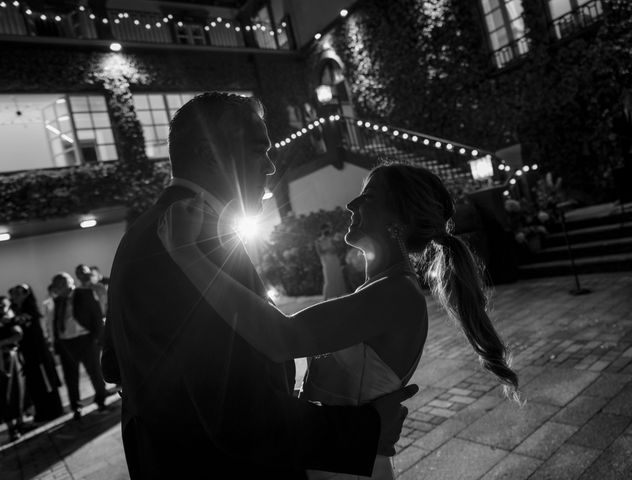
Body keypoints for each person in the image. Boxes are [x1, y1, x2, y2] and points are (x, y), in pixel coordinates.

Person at [101, 92, 417, 480]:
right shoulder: (194, 237)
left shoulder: (140, 233)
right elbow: (233, 409)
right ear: (211, 153)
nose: (270, 166)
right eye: (259, 150)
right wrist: (365, 431)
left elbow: (112, 363)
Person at [159, 162, 521, 479]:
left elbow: (282, 338)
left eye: (369, 196)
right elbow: (319, 329)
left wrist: (187, 255)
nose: (351, 204)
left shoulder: (396, 294)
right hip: (339, 457)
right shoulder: (379, 289)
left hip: (346, 469)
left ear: (399, 219)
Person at [51, 272, 106, 419]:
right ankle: (76, 407)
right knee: (70, 378)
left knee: (95, 372)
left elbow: (97, 315)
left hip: (86, 340)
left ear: (71, 281)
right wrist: (57, 344)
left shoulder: (85, 293)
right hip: (66, 343)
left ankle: (101, 401)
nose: (62, 286)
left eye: (64, 282)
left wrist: (96, 339)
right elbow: (56, 322)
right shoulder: (57, 301)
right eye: (58, 284)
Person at [9, 284, 63, 423]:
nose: (15, 296)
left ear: (26, 295)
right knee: (35, 384)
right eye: (14, 293)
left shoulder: (29, 310)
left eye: (19, 293)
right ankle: (42, 412)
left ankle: (52, 411)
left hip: (38, 355)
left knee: (45, 383)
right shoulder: (15, 310)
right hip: (29, 356)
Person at [0, 296, 25, 440]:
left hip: (12, 358)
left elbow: (18, 334)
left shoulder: (9, 318)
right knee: (4, 394)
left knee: (18, 391)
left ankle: (20, 423)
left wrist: (1, 343)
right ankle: (12, 428)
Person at [315, 222, 349, 300]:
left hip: (334, 260)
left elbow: (338, 249)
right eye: (326, 229)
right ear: (322, 230)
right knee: (329, 278)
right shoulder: (318, 241)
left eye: (328, 229)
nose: (328, 230)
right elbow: (319, 253)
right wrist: (328, 250)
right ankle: (325, 298)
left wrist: (334, 248)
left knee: (337, 276)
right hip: (326, 261)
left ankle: (339, 296)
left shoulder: (332, 239)